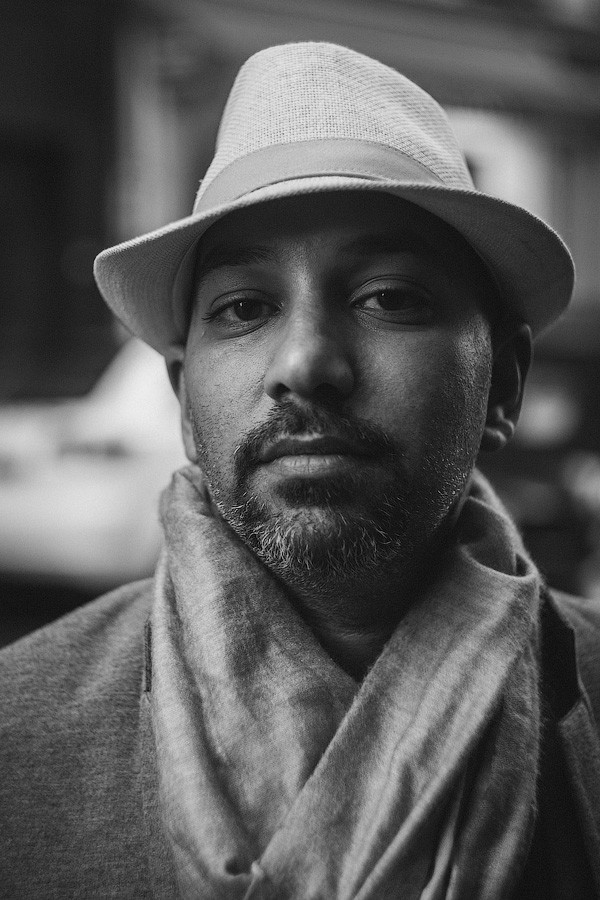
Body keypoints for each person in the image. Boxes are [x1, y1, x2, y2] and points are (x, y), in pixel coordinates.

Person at [1, 42, 599, 900]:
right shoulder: (18, 733)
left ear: (502, 383)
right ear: (183, 399)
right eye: (245, 307)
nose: (307, 363)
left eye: (388, 297)